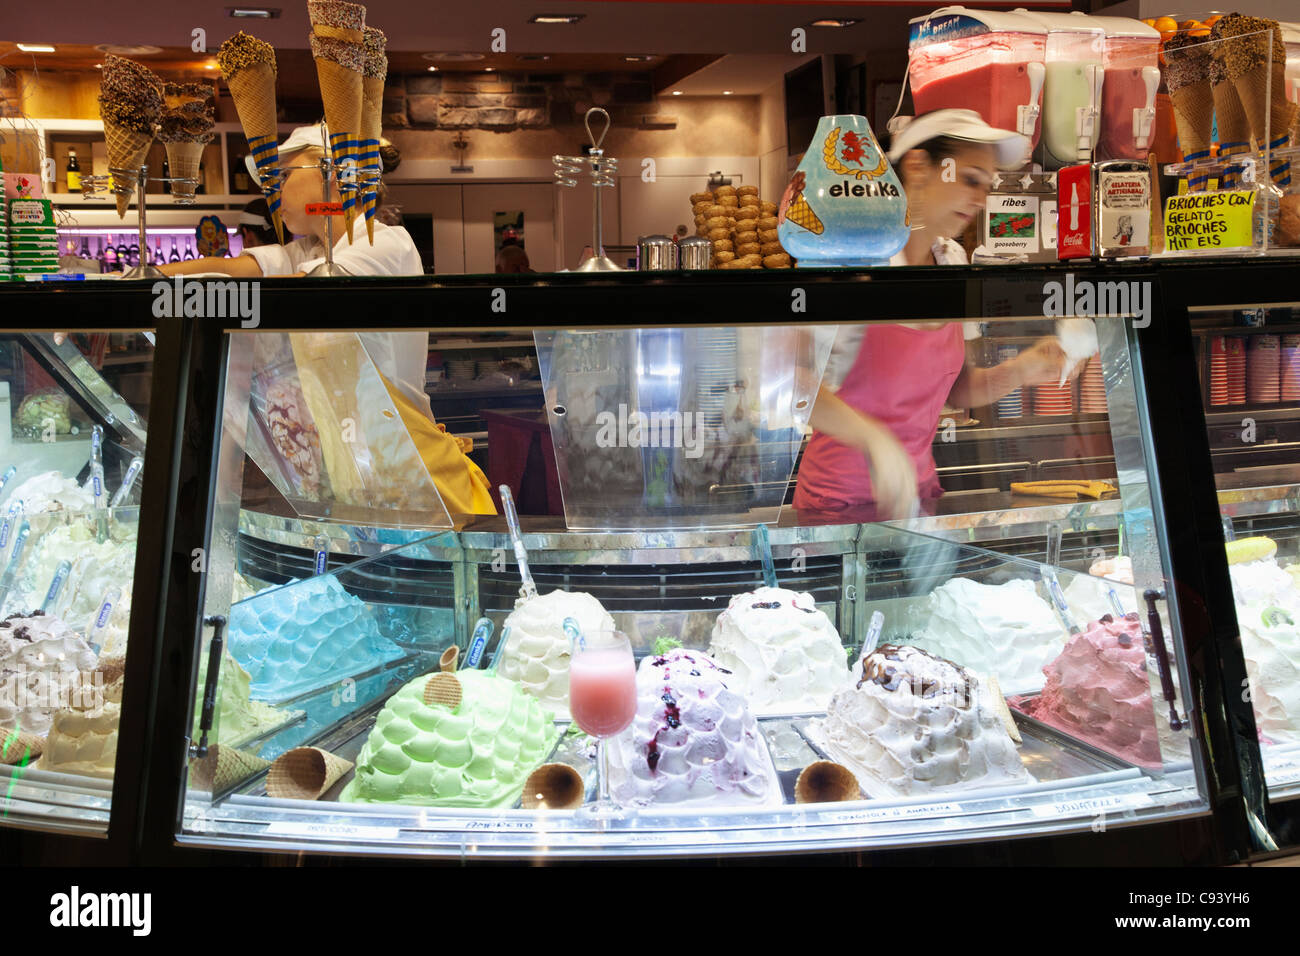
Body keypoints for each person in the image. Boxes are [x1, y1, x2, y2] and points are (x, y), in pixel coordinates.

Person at [157, 126, 493, 515]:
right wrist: (147, 278)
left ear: (332, 172)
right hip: (355, 480)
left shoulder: (382, 242)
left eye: (284, 176)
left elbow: (297, 293)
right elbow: (234, 268)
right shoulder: (308, 251)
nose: (274, 192)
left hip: (416, 480)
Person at [795, 110, 1075, 521]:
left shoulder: (951, 262)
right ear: (918, 167)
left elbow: (957, 390)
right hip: (836, 509)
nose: (981, 200)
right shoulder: (853, 260)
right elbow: (794, 384)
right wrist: (875, 441)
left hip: (919, 501)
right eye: (970, 179)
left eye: (987, 185)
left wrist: (1023, 368)